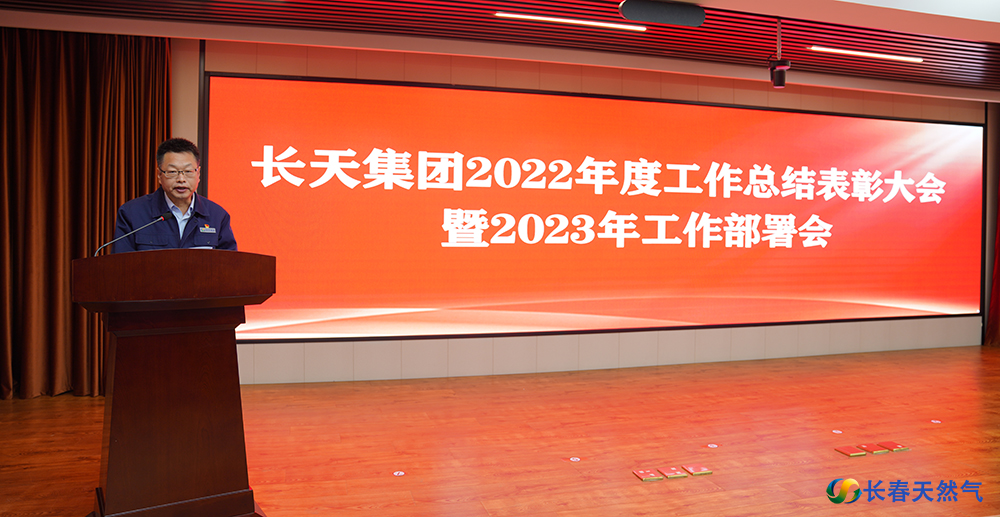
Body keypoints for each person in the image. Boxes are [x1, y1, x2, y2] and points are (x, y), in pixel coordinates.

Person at [112, 138, 237, 253]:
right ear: (159, 175)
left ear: (198, 174)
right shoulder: (132, 213)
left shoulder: (217, 216)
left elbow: (229, 265)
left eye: (188, 171)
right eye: (172, 172)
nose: (181, 179)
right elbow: (121, 265)